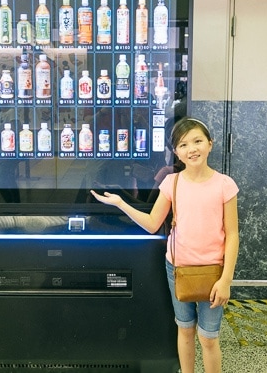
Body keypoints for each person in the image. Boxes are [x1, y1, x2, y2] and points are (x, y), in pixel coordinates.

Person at [90, 117, 239, 373]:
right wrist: (121, 204)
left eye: (197, 141)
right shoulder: (172, 182)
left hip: (213, 271)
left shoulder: (224, 185)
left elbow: (233, 234)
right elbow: (152, 223)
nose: (192, 149)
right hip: (178, 269)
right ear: (176, 152)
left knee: (209, 337)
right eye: (183, 144)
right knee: (184, 328)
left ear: (210, 144)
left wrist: (226, 280)